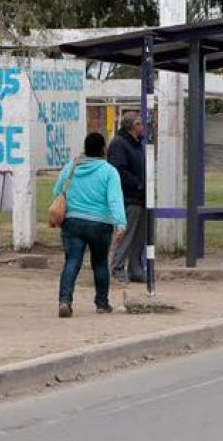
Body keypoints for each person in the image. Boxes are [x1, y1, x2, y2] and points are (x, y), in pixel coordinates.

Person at [54, 132, 126, 318]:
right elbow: (115, 200)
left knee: (72, 261)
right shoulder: (109, 171)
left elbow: (57, 192)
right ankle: (101, 304)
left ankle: (65, 301)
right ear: (103, 149)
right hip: (100, 224)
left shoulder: (71, 167)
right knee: (100, 263)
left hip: (73, 222)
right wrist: (120, 224)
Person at [108, 112, 148, 283]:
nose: (142, 127)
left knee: (139, 235)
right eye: (139, 124)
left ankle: (136, 269)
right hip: (128, 197)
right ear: (132, 127)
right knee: (125, 234)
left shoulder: (136, 144)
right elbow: (118, 171)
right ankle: (117, 267)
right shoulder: (119, 144)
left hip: (140, 197)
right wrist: (138, 183)